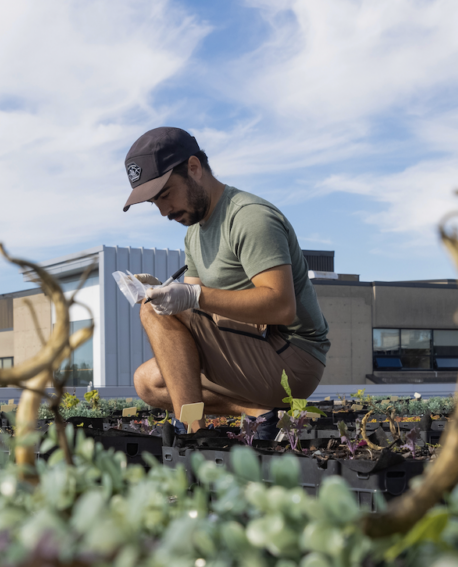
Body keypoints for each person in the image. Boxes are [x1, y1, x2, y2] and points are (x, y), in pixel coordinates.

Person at [121, 127, 329, 438]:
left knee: (152, 312)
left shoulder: (249, 217)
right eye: (154, 202)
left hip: (292, 359)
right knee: (149, 382)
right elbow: (189, 321)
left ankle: (192, 432)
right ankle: (260, 412)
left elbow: (282, 306)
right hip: (252, 353)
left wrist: (189, 297)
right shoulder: (194, 232)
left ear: (194, 168)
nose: (164, 211)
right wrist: (162, 292)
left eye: (165, 194)